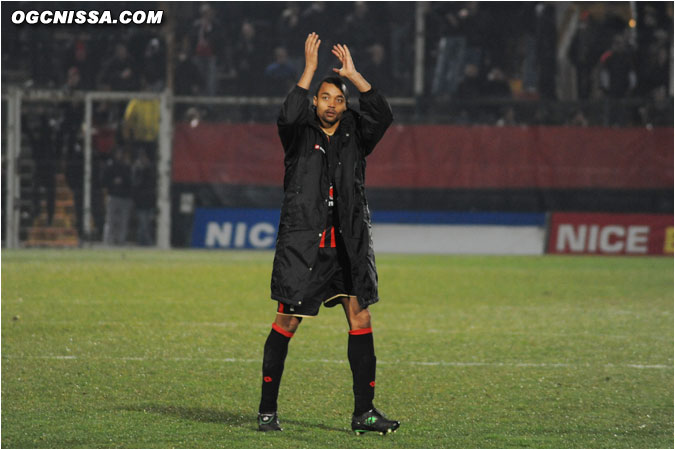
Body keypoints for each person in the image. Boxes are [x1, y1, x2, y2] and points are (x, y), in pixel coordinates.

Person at [258, 32, 399, 436]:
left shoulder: (357, 129)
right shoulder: (299, 132)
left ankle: (364, 413)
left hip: (348, 245)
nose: (332, 105)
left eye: (338, 99)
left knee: (361, 314)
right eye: (325, 98)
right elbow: (286, 113)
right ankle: (267, 410)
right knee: (286, 322)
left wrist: (354, 77)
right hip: (304, 246)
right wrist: (307, 71)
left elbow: (384, 115)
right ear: (315, 102)